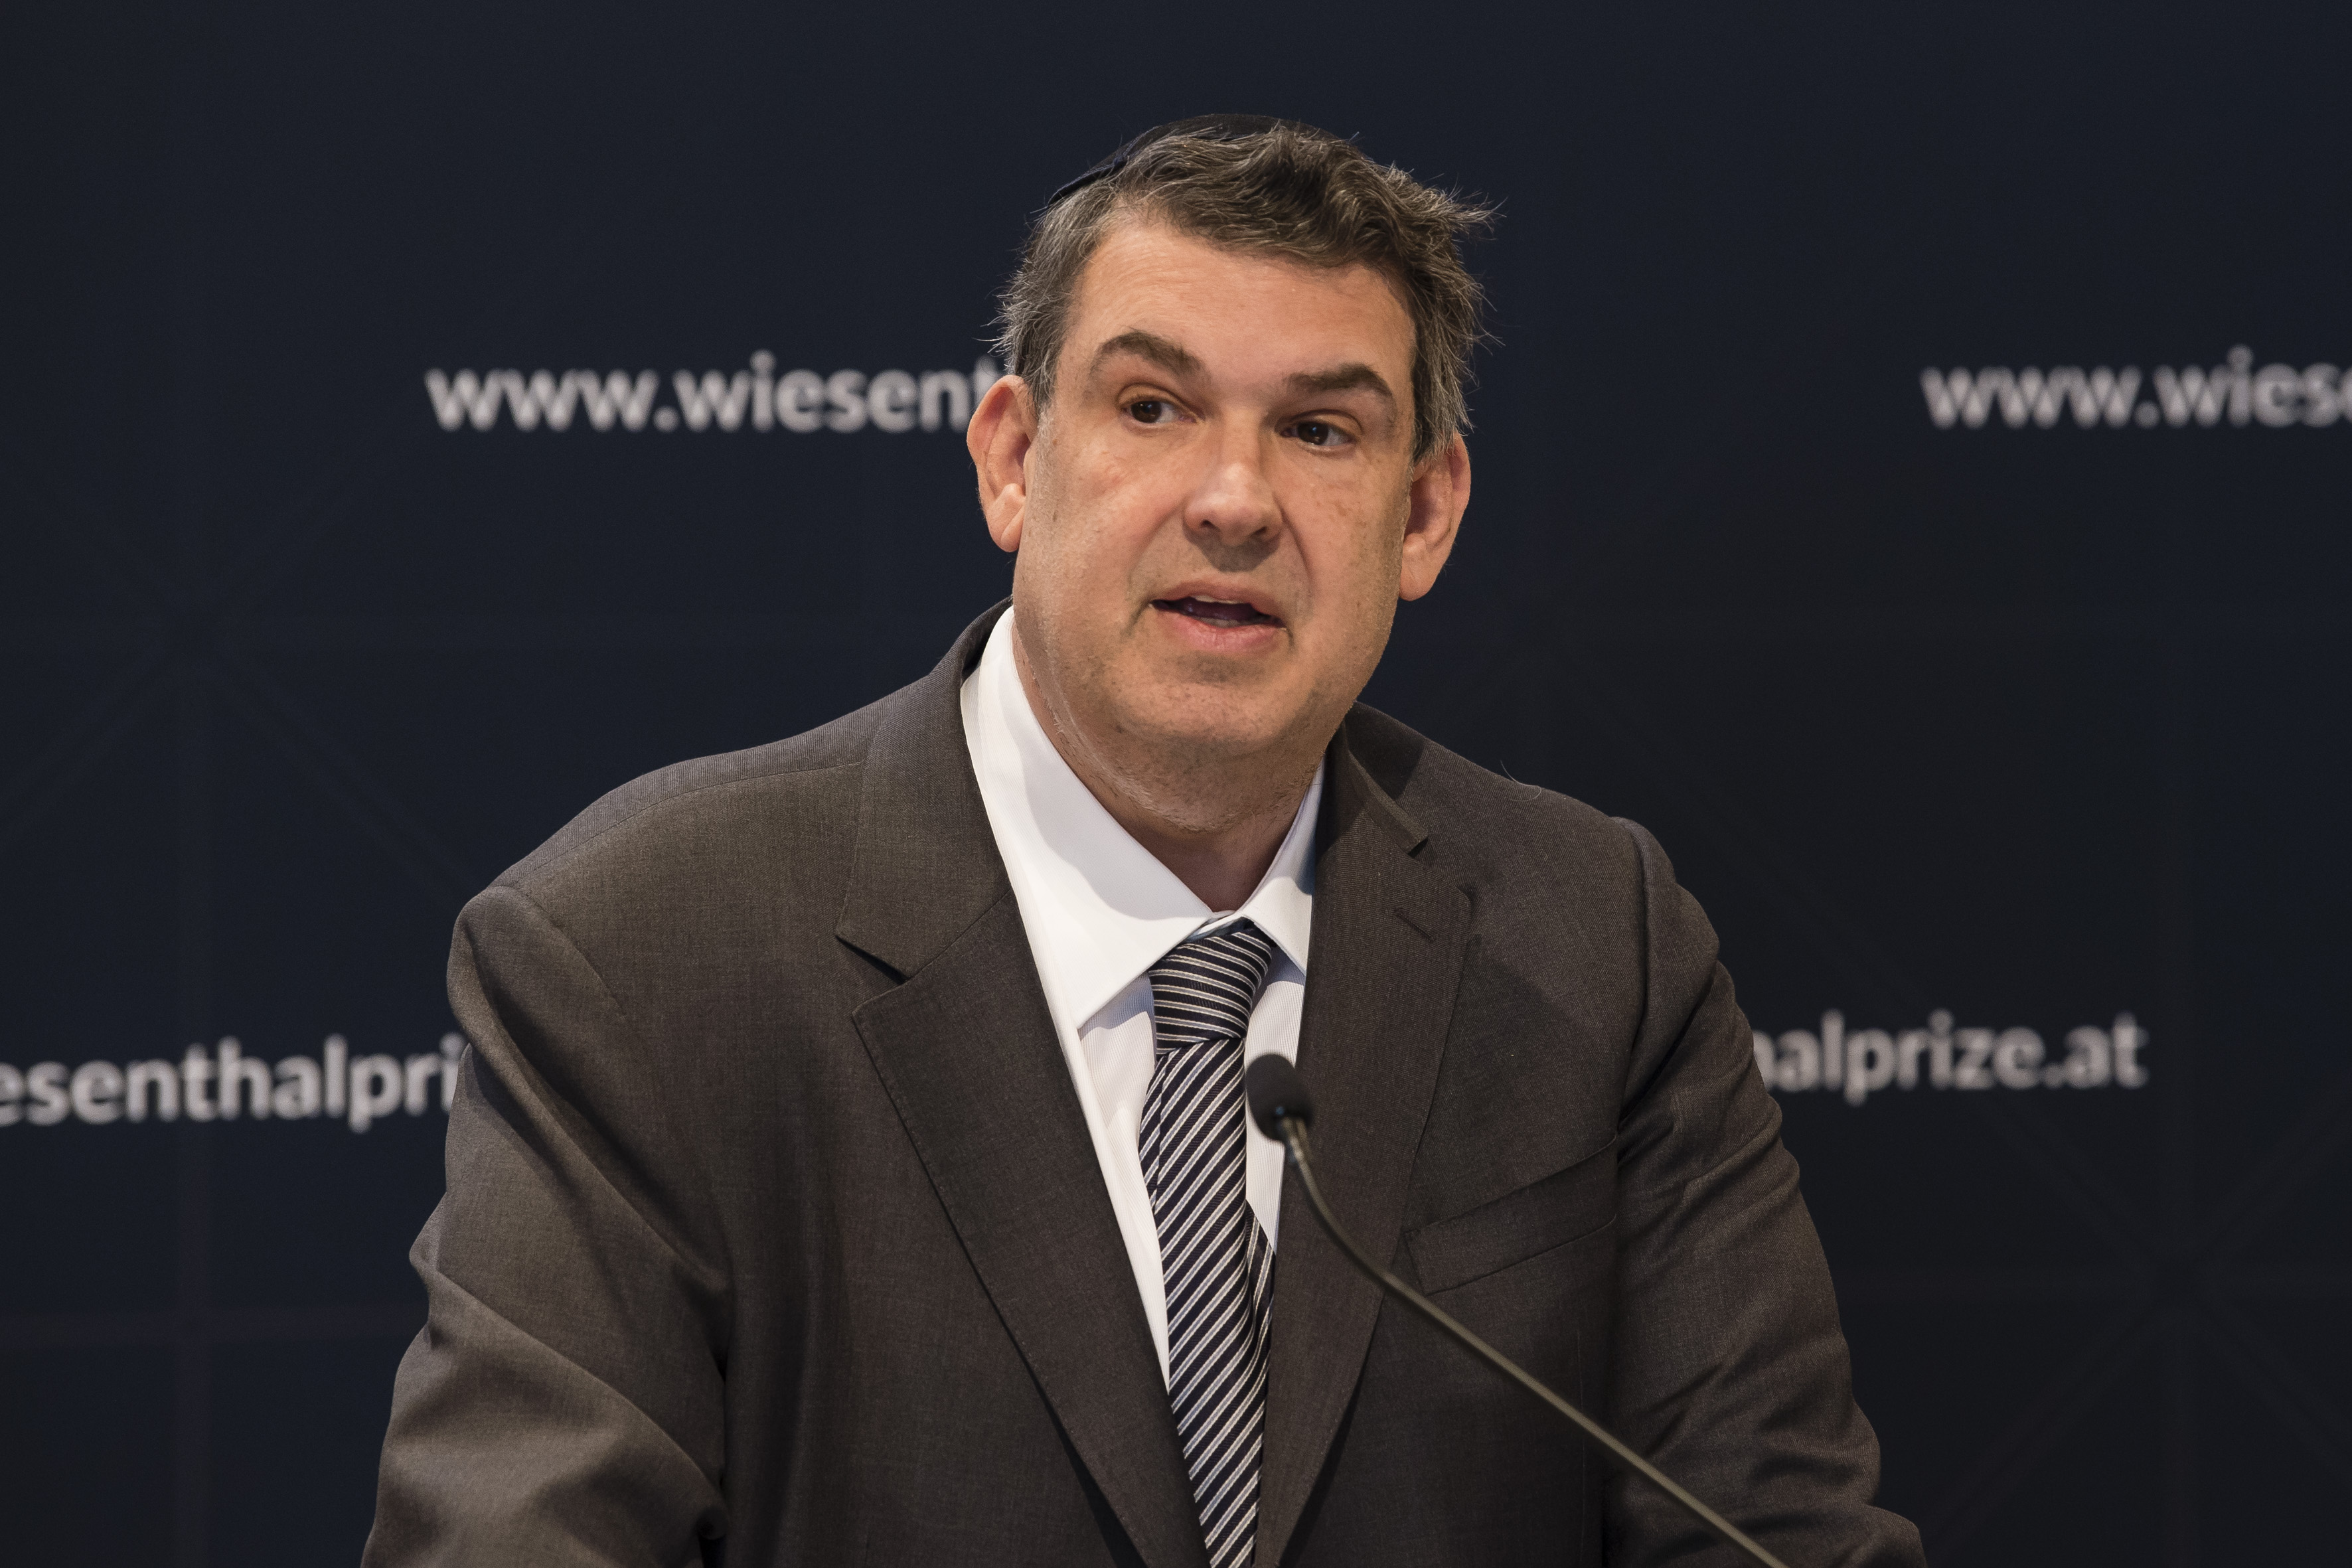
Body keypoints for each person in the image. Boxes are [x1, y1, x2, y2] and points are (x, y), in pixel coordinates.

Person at [364, 116, 1924, 1568]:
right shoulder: (643, 951)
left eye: (1318, 429)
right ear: (1011, 459)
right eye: (1152, 407)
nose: (1233, 500)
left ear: (1423, 514)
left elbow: (1770, 1529)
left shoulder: (1592, 939)